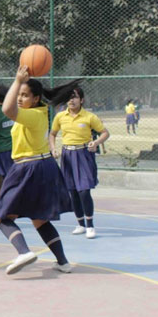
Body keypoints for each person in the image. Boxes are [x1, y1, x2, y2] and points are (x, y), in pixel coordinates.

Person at [0, 65, 76, 275]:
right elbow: (10, 107)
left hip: (27, 167)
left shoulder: (32, 115)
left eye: (25, 95)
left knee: (2, 217)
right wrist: (19, 85)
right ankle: (63, 262)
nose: (20, 98)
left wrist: (17, 80)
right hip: (44, 165)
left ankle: (23, 252)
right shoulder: (38, 112)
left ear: (36, 98)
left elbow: (7, 110)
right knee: (40, 219)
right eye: (19, 95)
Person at [49, 87, 110, 239]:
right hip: (67, 155)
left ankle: (90, 225)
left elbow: (105, 133)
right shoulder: (60, 116)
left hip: (84, 154)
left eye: (75, 97)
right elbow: (52, 134)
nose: (71, 100)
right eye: (69, 97)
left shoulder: (89, 117)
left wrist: (96, 142)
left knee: (84, 191)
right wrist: (53, 148)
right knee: (73, 191)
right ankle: (80, 224)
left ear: (81, 100)